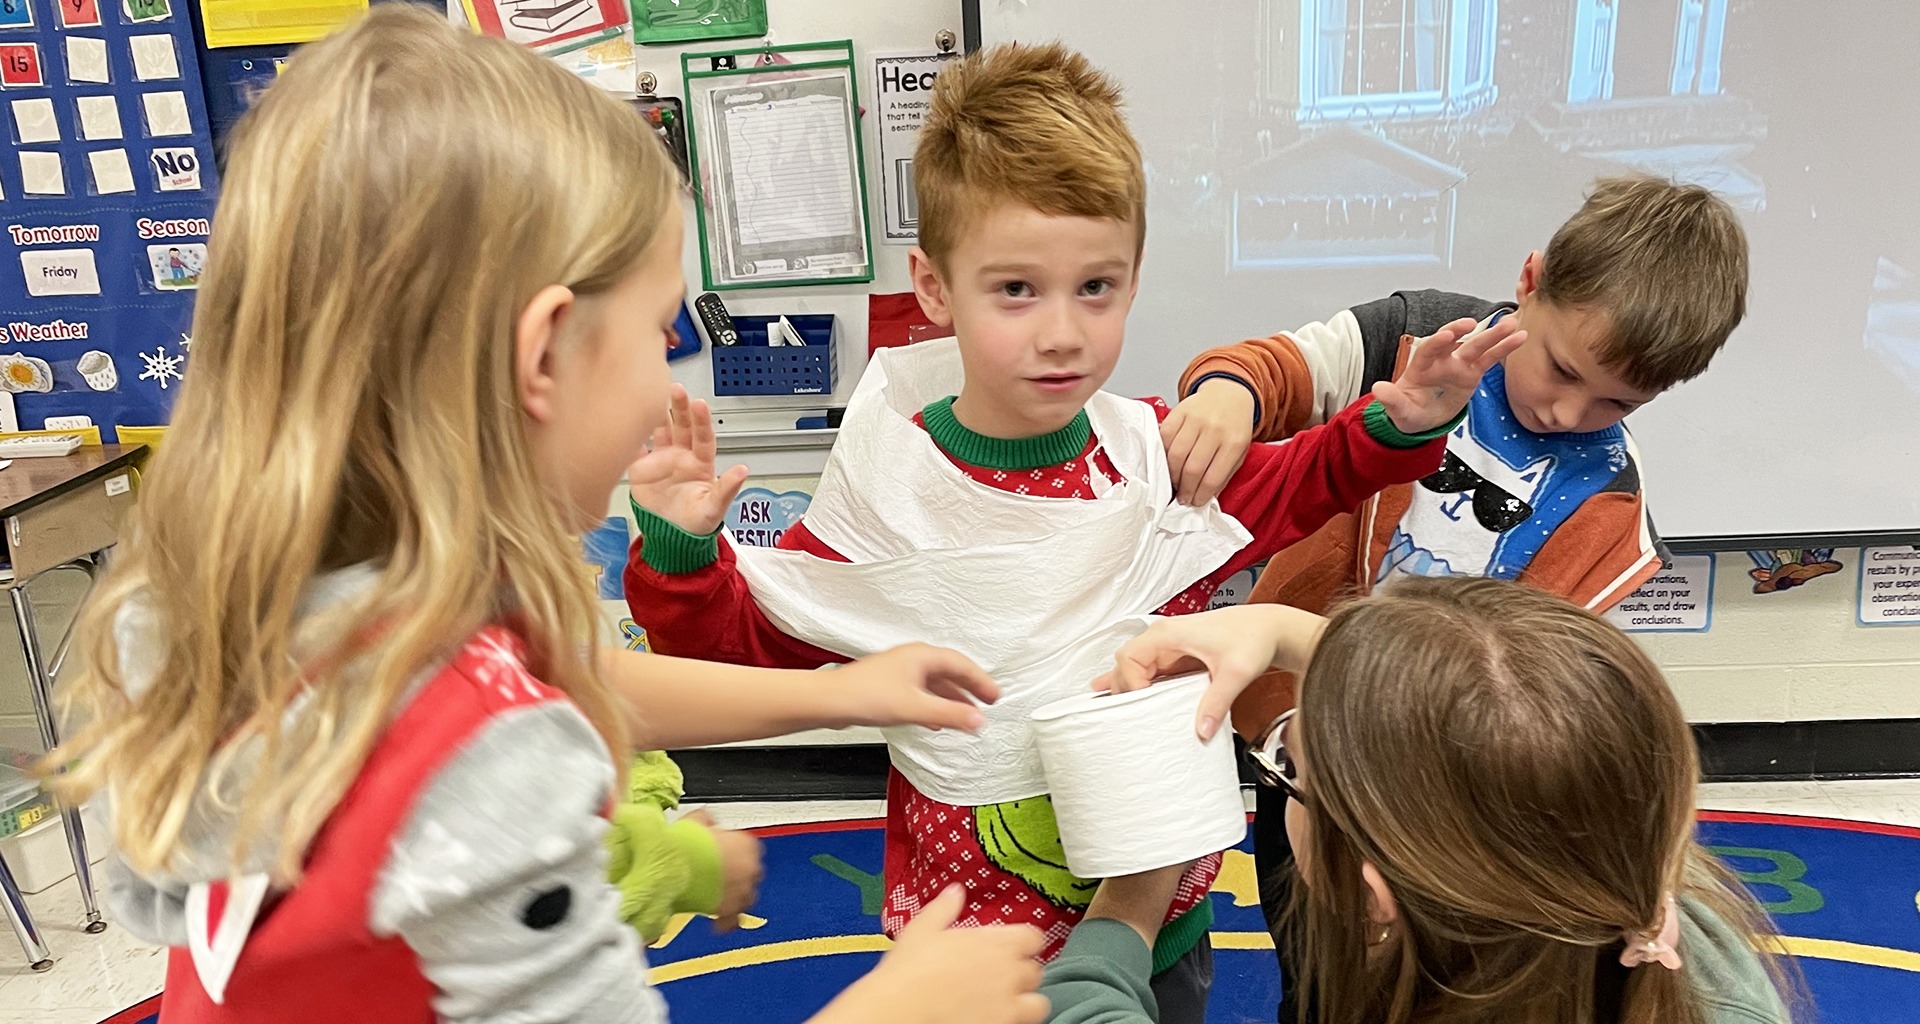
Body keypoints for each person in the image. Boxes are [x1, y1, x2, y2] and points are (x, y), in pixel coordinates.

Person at [44, 9, 1049, 1023]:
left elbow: (564, 671)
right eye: (662, 330)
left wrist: (845, 693)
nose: (667, 380)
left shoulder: (226, 605)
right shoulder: (492, 748)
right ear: (544, 354)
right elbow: (508, 718)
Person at [623, 41, 1520, 1023]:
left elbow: (1311, 477)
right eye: (1017, 290)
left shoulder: (1155, 461)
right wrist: (678, 547)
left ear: (1134, 279)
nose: (1062, 332)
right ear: (934, 288)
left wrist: (1410, 418)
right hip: (964, 946)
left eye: (1096, 287)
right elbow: (744, 648)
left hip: (1152, 922)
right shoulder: (891, 484)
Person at [1163, 175, 1749, 1019]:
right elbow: (1277, 368)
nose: (1568, 410)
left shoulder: (1608, 507)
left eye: (1617, 401)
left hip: (1442, 800)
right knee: (1316, 969)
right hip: (1304, 749)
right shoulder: (1414, 339)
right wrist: (1228, 397)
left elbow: (1537, 695)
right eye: (1562, 368)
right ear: (1531, 281)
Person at [1073, 577, 1797, 1024]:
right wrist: (1284, 631)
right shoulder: (1653, 925)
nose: (1281, 763)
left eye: (1290, 765)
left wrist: (1134, 896)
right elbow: (1502, 733)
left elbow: (1082, 1008)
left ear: (1371, 901)